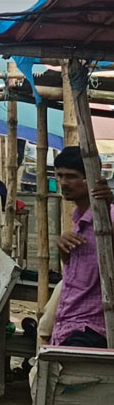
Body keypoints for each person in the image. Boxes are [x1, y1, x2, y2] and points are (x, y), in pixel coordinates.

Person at [51, 146, 114, 348]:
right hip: (70, 324)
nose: (63, 182)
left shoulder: (108, 219)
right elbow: (76, 271)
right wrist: (63, 251)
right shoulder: (79, 221)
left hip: (93, 329)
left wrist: (109, 203)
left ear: (91, 179)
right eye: (60, 175)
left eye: (71, 176)